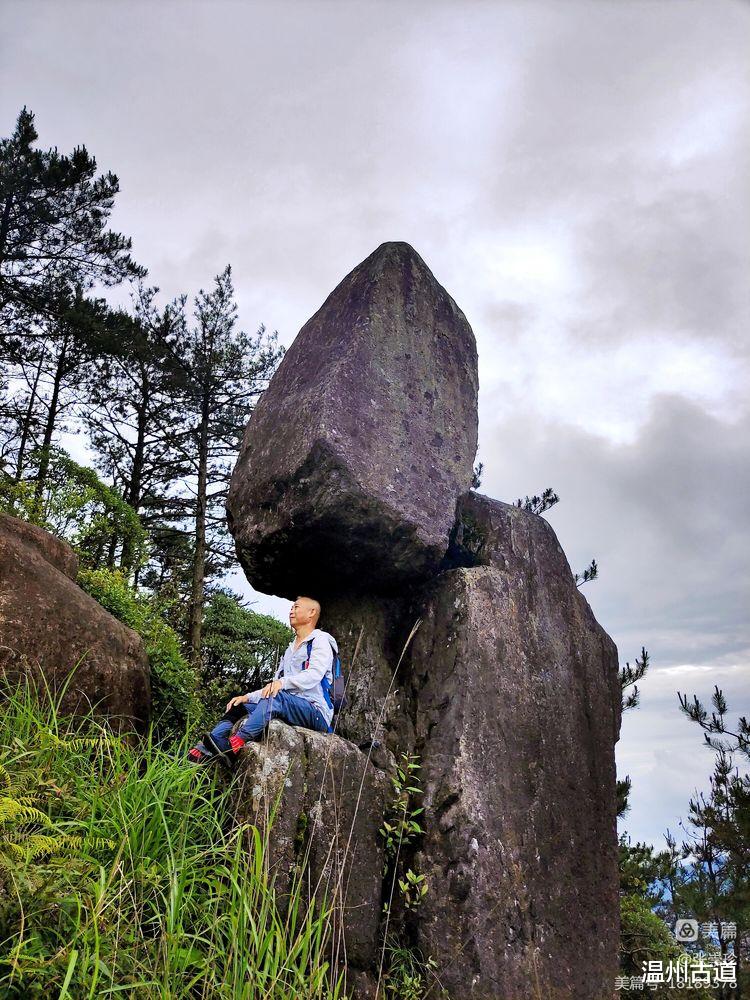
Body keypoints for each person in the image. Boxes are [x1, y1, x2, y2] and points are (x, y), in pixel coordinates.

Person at [188, 595, 337, 767]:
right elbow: (271, 688)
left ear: (312, 613)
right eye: (291, 607)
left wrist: (282, 683)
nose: (291, 610)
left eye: (296, 607)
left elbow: (314, 675)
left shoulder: (321, 640)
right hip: (288, 704)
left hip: (315, 711)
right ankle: (201, 751)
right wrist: (247, 697)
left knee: (277, 697)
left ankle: (234, 745)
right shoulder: (290, 649)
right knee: (238, 706)